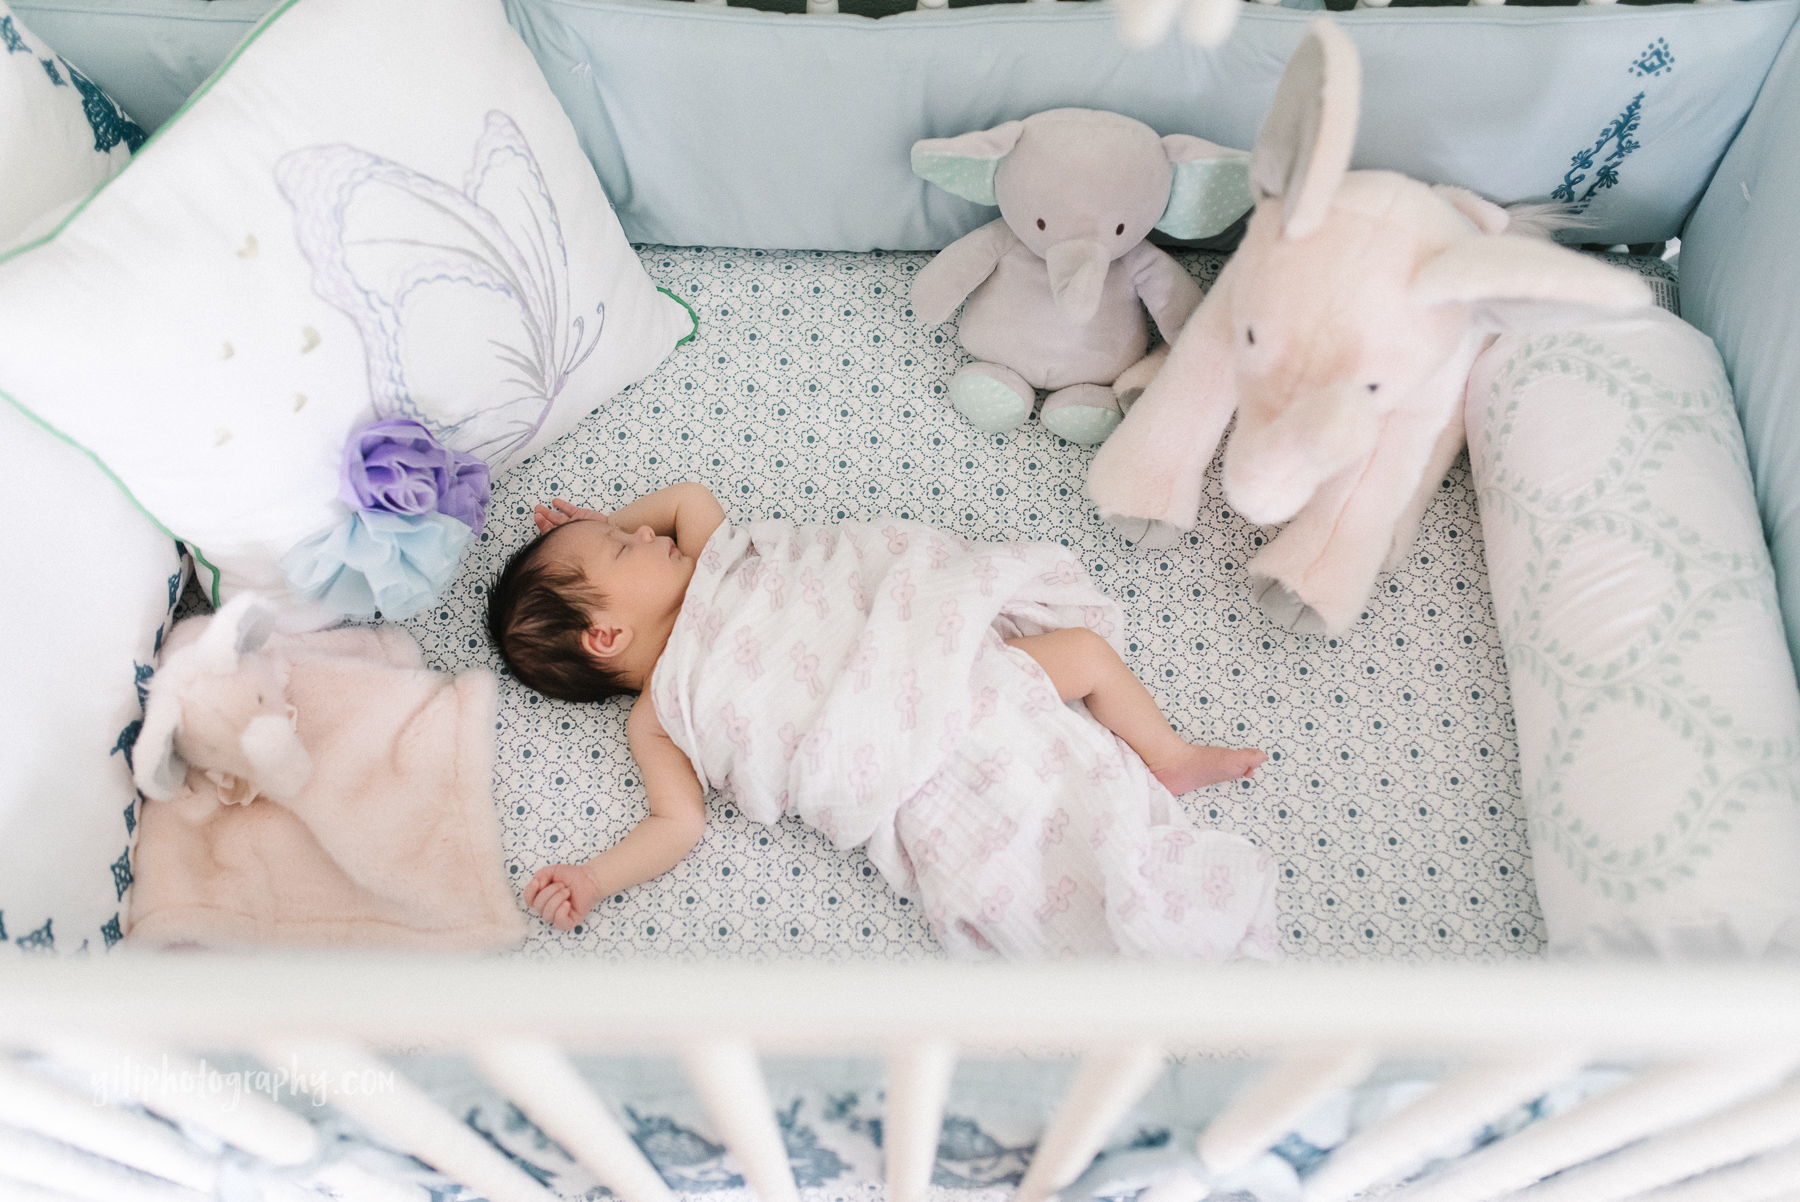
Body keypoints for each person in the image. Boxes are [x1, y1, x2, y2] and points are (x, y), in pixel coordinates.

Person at [488, 482, 1276, 958]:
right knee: (999, 856)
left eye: (631, 529)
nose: (648, 531)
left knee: (1082, 652)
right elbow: (677, 825)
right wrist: (596, 878)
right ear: (605, 636)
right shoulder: (660, 716)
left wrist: (592, 530)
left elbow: (687, 497)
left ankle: (1165, 754)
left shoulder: (717, 560)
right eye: (627, 548)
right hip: (884, 765)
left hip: (942, 667)